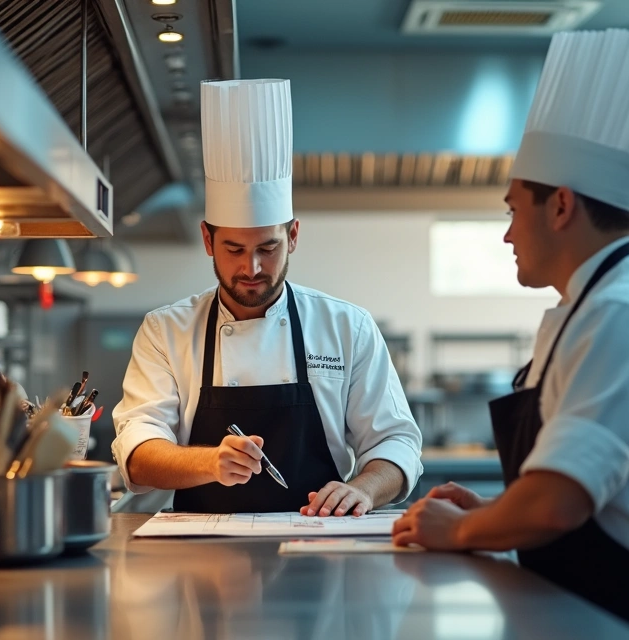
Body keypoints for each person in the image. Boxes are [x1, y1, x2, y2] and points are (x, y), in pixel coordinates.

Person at [393, 29, 629, 640]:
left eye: (512, 210)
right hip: (593, 604)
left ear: (561, 206)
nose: (507, 234)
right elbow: (590, 498)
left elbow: (557, 502)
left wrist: (463, 532)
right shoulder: (590, 305)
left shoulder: (623, 313)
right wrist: (496, 515)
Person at [111, 79, 422, 515]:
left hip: (320, 549)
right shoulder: (166, 330)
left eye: (268, 248)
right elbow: (137, 454)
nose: (252, 268)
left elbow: (396, 441)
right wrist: (210, 461)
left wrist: (366, 488)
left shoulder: (347, 327)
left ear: (293, 235)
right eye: (234, 249)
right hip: (198, 559)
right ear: (207, 239)